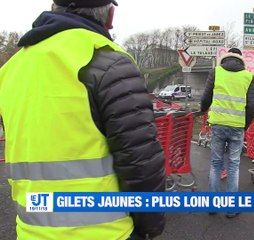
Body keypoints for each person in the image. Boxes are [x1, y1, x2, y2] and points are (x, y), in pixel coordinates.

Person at [0, 1, 165, 239]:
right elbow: (141, 162)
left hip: (30, 232)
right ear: (110, 16)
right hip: (104, 233)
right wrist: (150, 226)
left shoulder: (11, 69)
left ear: (53, 7)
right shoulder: (107, 61)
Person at [200, 48, 254, 218]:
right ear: (241, 60)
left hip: (218, 124)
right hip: (237, 127)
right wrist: (244, 125)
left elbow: (206, 97)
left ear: (225, 59)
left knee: (216, 164)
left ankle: (212, 205)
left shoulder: (216, 72)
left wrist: (203, 110)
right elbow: (252, 105)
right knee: (233, 166)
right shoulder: (248, 76)